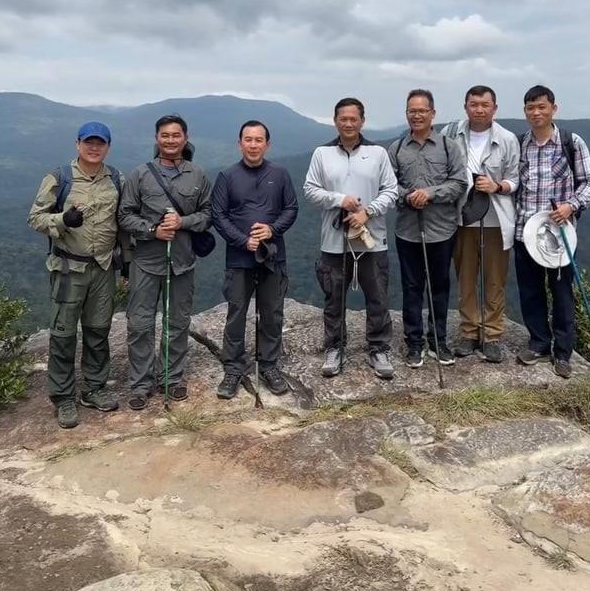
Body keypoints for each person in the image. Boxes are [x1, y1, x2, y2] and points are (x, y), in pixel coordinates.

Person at [28, 122, 126, 429]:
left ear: (108, 147)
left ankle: (94, 388)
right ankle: (63, 397)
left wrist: (127, 261)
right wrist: (62, 220)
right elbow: (35, 218)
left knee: (98, 331)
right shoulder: (59, 178)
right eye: (88, 142)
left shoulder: (116, 179)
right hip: (69, 268)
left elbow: (122, 221)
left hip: (104, 268)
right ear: (77, 144)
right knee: (63, 334)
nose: (94, 148)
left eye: (100, 143)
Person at [118, 114, 212, 409]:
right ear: (157, 139)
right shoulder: (140, 174)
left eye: (176, 135)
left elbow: (208, 215)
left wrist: (183, 221)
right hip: (146, 261)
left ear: (185, 138)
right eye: (165, 135)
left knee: (177, 322)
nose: (170, 140)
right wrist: (152, 230)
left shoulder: (198, 175)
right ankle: (140, 384)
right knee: (140, 324)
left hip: (181, 261)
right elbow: (124, 215)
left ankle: (171, 378)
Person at [303, 97, 398, 379]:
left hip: (372, 239)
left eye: (353, 119)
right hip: (333, 240)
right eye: (343, 119)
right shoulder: (322, 153)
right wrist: (339, 199)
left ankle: (378, 348)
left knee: (377, 296)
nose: (348, 123)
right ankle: (334, 346)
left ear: (362, 121)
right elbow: (310, 190)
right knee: (334, 297)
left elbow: (391, 190)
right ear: (335, 121)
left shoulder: (377, 153)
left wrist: (368, 212)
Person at [515, 85, 590, 378]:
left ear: (553, 108)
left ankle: (563, 353)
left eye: (542, 106)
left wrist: (570, 206)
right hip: (525, 232)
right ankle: (539, 343)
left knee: (562, 294)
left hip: (561, 235)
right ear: (525, 111)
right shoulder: (520, 144)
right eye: (530, 108)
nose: (536, 112)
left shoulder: (570, 142)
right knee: (530, 292)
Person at [212, 120, 298, 400]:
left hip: (273, 255)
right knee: (236, 312)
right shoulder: (227, 176)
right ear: (240, 143)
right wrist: (243, 240)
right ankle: (233, 368)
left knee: (272, 312)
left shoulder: (280, 174)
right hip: (239, 257)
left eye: (258, 140)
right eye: (248, 140)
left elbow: (291, 208)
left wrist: (272, 229)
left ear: (267, 144)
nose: (253, 145)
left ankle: (269, 365)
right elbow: (218, 215)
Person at [441, 85, 520, 363]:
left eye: (485, 105)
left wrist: (497, 186)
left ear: (494, 108)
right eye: (474, 104)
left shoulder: (507, 139)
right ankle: (469, 331)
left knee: (494, 279)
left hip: (496, 219)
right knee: (465, 278)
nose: (479, 110)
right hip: (461, 218)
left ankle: (492, 334)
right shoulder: (451, 134)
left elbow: (515, 179)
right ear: (465, 106)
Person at [389, 90, 467, 368]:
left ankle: (438, 340)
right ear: (406, 114)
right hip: (407, 230)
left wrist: (430, 194)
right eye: (412, 111)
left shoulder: (448, 146)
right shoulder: (397, 148)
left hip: (442, 230)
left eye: (422, 111)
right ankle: (414, 343)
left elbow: (459, 183)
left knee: (439, 287)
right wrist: (408, 196)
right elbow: (388, 186)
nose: (417, 115)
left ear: (433, 113)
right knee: (411, 287)